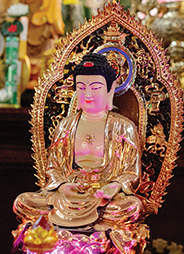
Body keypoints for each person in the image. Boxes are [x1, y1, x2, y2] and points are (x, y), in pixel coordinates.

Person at [14, 53, 143, 234]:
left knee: (130, 207)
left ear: (110, 89)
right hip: (68, 195)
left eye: (96, 87)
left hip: (104, 198)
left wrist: (114, 186)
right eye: (81, 88)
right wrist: (63, 186)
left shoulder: (123, 127)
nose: (88, 94)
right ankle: (87, 229)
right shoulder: (66, 125)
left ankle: (91, 229)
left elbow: (131, 172)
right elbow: (53, 168)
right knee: (23, 202)